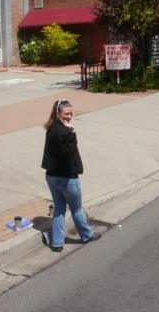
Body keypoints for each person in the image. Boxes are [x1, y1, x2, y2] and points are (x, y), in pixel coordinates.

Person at [41, 99, 101, 252]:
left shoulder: (52, 127)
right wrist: (71, 133)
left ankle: (57, 243)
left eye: (71, 113)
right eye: (66, 113)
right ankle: (87, 235)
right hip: (66, 178)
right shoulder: (63, 131)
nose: (69, 116)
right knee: (76, 209)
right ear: (58, 113)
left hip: (51, 177)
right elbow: (69, 153)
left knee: (59, 209)